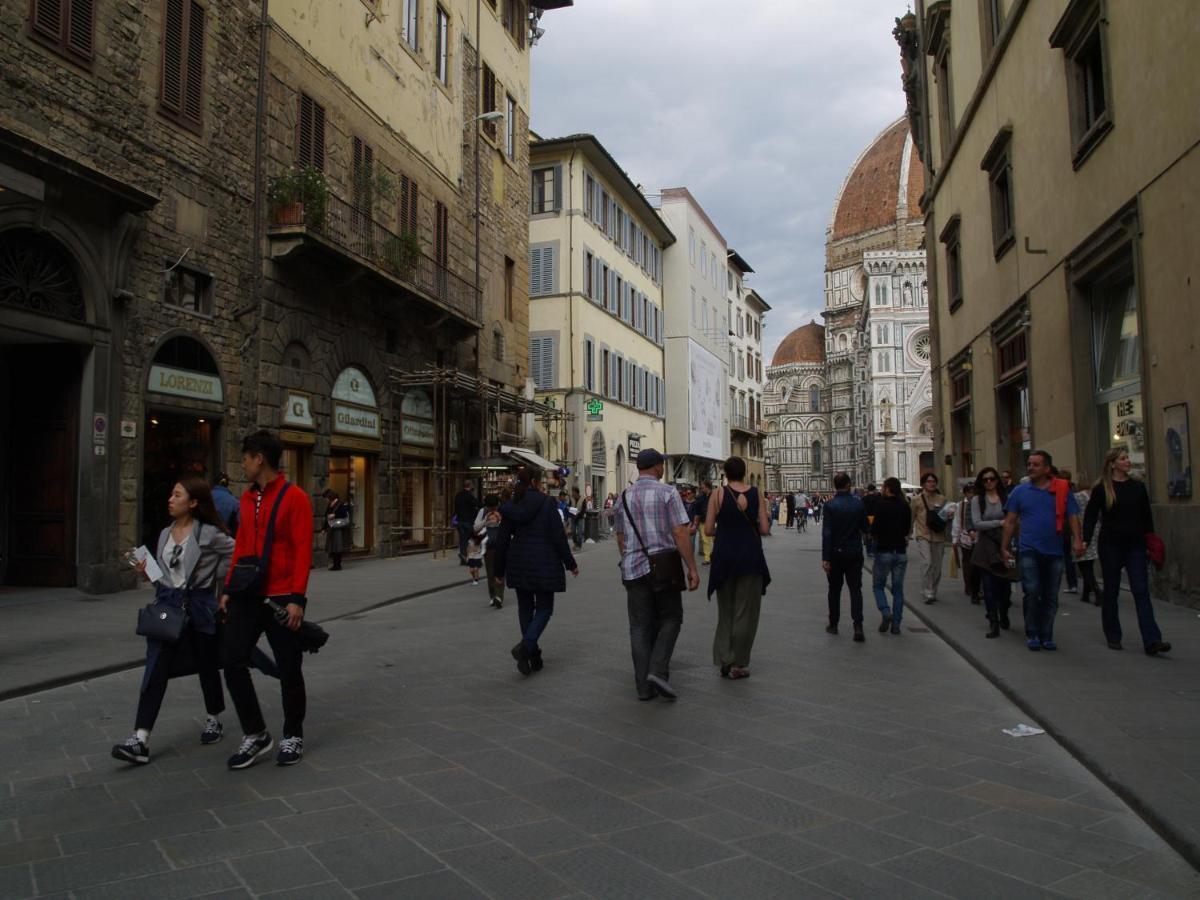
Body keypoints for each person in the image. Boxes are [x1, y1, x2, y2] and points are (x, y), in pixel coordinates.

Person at [112, 477, 236, 765]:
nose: (170, 498)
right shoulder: (165, 533)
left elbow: (236, 555)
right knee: (156, 668)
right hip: (168, 609)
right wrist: (146, 571)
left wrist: (223, 588)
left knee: (207, 665)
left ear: (193, 503)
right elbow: (162, 578)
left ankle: (214, 718)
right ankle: (140, 738)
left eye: (177, 494)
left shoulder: (210, 533)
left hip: (200, 609)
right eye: (171, 492)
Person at [220, 429, 314, 769]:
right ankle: (256, 733)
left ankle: (293, 733)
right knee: (232, 660)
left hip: (280, 596)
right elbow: (241, 544)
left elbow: (303, 550)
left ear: (259, 458)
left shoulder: (295, 498)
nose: (242, 464)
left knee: (289, 667)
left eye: (245, 457)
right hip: (248, 594)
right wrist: (229, 589)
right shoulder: (246, 499)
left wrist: (297, 599)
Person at [613, 449, 700, 700]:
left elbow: (620, 537)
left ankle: (643, 687)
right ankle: (658, 670)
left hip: (633, 569)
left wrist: (629, 557)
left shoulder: (624, 496)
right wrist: (692, 568)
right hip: (664, 568)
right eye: (662, 464)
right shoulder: (668, 493)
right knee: (671, 618)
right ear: (658, 467)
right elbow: (680, 533)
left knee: (639, 626)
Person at [1084, 449, 1171, 655]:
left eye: (1127, 458)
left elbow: (1146, 518)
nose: (1127, 461)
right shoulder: (1102, 489)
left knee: (1141, 592)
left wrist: (1151, 541)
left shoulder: (1138, 488)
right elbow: (1090, 516)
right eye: (1123, 459)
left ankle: (1152, 640)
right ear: (1113, 464)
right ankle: (1113, 635)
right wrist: (1084, 540)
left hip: (1136, 546)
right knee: (1112, 591)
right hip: (1111, 545)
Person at [493, 468, 578, 675]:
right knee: (544, 609)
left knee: (525, 608)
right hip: (544, 562)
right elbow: (558, 537)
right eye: (540, 482)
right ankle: (526, 647)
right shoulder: (547, 503)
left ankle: (532, 654)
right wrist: (570, 562)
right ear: (534, 482)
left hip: (519, 562)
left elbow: (502, 540)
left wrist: (498, 569)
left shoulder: (511, 507)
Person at [1001, 449, 1083, 651]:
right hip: (1028, 548)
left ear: (1047, 469)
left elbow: (1072, 517)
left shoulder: (1062, 489)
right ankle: (1033, 632)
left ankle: (1047, 633)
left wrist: (1078, 540)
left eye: (1036, 464)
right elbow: (1010, 521)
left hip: (1054, 550)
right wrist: (1004, 547)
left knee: (1050, 594)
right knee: (1031, 590)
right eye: (1029, 464)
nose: (1031, 467)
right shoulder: (1020, 492)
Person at [705, 456, 771, 679]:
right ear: (743, 472)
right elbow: (763, 528)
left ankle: (725, 657)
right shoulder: (756, 494)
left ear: (726, 472)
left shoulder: (718, 493)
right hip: (750, 557)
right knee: (746, 612)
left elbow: (707, 529)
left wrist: (725, 530)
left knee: (726, 612)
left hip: (724, 557)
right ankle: (738, 664)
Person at [966, 467, 1014, 639]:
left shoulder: (1006, 498)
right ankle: (993, 622)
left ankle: (1004, 611)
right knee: (988, 587)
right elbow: (977, 523)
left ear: (997, 480)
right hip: (985, 546)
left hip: (1004, 544)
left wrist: (1004, 525)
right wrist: (999, 522)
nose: (989, 482)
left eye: (992, 479)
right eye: (985, 480)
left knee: (1005, 587)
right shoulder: (977, 500)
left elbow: (1012, 520)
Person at [822, 472, 869, 641]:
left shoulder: (830, 505)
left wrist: (825, 557)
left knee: (834, 590)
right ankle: (858, 626)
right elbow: (865, 528)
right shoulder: (858, 505)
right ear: (849, 484)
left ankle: (833, 624)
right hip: (854, 552)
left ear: (835, 486)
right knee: (855, 590)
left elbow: (827, 533)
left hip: (835, 553)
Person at [869, 477, 911, 635]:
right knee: (898, 590)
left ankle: (886, 612)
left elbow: (875, 528)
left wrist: (873, 537)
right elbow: (907, 529)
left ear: (886, 489)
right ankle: (896, 625)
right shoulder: (905, 506)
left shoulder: (881, 505)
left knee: (878, 586)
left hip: (884, 551)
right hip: (900, 552)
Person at [910, 473, 948, 604]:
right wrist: (908, 534)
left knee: (937, 567)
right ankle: (927, 591)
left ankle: (933, 589)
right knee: (927, 563)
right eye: (928, 481)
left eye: (933, 481)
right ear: (923, 484)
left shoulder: (942, 499)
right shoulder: (916, 500)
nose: (931, 484)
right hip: (923, 535)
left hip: (939, 536)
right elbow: (912, 517)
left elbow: (945, 517)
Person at [1072, 476, 1101, 606]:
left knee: (1083, 565)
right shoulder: (1094, 496)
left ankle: (1097, 590)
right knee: (1088, 563)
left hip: (1081, 530)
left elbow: (1073, 514)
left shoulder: (1077, 497)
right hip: (1096, 530)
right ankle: (1085, 593)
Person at [951, 483, 981, 604]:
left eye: (973, 492)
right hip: (965, 537)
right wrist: (955, 538)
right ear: (965, 493)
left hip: (979, 537)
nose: (971, 495)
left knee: (978, 563)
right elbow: (957, 522)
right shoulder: (961, 505)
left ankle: (977, 587)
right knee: (968, 562)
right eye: (969, 492)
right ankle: (969, 585)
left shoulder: (979, 503)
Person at [475, 495, 505, 608]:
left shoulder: (502, 511)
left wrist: (500, 519)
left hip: (501, 543)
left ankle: (499, 597)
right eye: (490, 507)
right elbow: (475, 528)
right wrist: (485, 520)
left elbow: (509, 527)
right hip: (488, 544)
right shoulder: (482, 511)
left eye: (494, 507)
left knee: (500, 571)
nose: (493, 510)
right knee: (490, 571)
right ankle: (493, 596)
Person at [321, 489, 351, 571]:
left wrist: (334, 515)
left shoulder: (340, 504)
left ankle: (338, 565)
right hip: (331, 528)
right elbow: (326, 517)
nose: (326, 500)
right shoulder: (330, 504)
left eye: (326, 498)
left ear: (330, 497)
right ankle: (335, 564)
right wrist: (324, 528)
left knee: (337, 547)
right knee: (332, 547)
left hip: (338, 529)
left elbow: (344, 515)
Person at [453, 479, 480, 565]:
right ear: (470, 485)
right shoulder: (469, 496)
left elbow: (456, 507)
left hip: (459, 521)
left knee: (462, 540)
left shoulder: (458, 495)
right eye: (472, 485)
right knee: (469, 539)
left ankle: (463, 558)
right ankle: (466, 556)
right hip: (468, 521)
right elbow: (477, 504)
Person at [691, 481, 715, 565]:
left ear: (707, 487)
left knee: (717, 539)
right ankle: (707, 558)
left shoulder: (715, 496)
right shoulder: (700, 498)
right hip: (703, 521)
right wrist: (695, 523)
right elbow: (697, 512)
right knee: (705, 541)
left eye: (703, 487)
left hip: (715, 521)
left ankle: (716, 556)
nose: (701, 489)